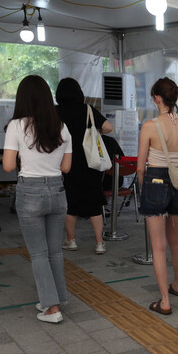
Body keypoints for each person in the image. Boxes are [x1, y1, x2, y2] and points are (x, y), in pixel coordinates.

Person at [3, 75, 73, 324]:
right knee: (54, 251)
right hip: (57, 191)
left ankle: (51, 307)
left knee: (39, 253)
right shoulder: (61, 126)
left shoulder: (16, 126)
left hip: (30, 192)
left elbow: (8, 166)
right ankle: (56, 298)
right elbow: (66, 167)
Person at [136, 78, 178, 315]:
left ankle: (165, 301)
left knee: (158, 247)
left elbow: (140, 167)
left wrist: (144, 188)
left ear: (157, 98)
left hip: (156, 180)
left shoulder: (150, 125)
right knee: (175, 240)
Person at [54, 77, 113, 255]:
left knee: (70, 202)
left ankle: (71, 240)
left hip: (66, 161)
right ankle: (99, 243)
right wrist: (96, 131)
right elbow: (109, 127)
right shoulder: (88, 109)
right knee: (94, 202)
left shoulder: (55, 111)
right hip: (90, 161)